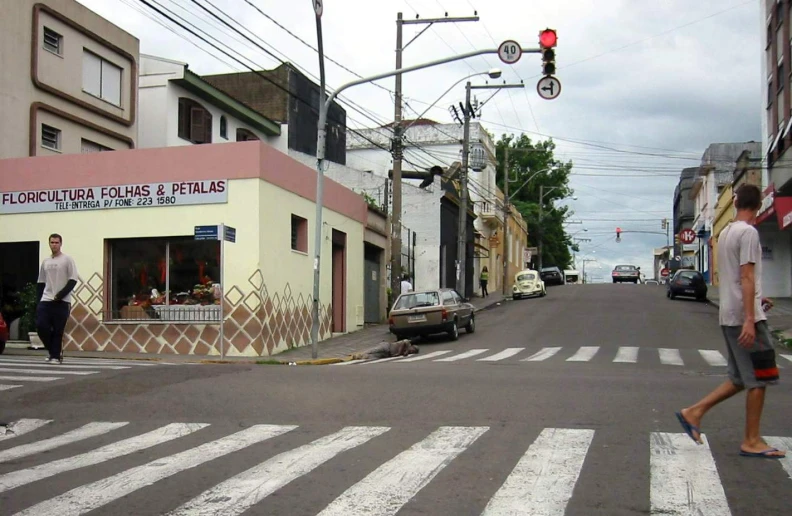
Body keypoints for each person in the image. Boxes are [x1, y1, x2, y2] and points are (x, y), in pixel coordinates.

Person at [676, 184, 785, 459]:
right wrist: (750, 318)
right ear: (758, 206)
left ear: (736, 204)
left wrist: (756, 301)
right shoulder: (748, 232)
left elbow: (736, 279)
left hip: (730, 314)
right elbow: (746, 276)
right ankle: (751, 440)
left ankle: (694, 412)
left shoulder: (725, 233)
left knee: (739, 378)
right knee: (761, 378)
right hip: (744, 319)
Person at [36, 234, 78, 364]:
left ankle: (55, 356)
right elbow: (41, 282)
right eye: (52, 242)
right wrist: (39, 301)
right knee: (41, 326)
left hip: (62, 301)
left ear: (61, 244)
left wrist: (60, 295)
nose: (54, 245)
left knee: (58, 330)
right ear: (49, 244)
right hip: (46, 299)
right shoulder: (46, 262)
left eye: (56, 242)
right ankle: (53, 351)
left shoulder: (67, 260)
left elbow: (73, 280)